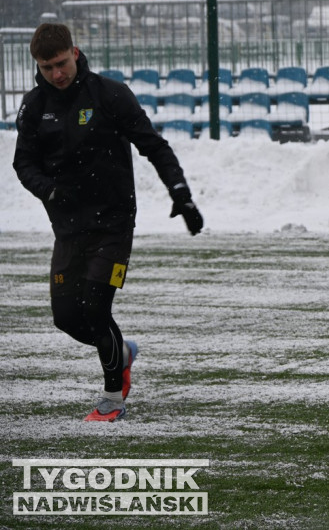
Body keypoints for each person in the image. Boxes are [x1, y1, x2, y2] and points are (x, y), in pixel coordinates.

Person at [12, 23, 204, 422]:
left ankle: (112, 397)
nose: (57, 74)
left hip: (114, 223)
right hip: (67, 228)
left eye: (61, 63)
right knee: (66, 318)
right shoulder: (33, 106)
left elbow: (155, 146)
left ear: (75, 52)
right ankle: (122, 352)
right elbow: (23, 163)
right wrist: (48, 190)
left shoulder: (109, 94)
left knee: (96, 307)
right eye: (47, 68)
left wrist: (181, 194)